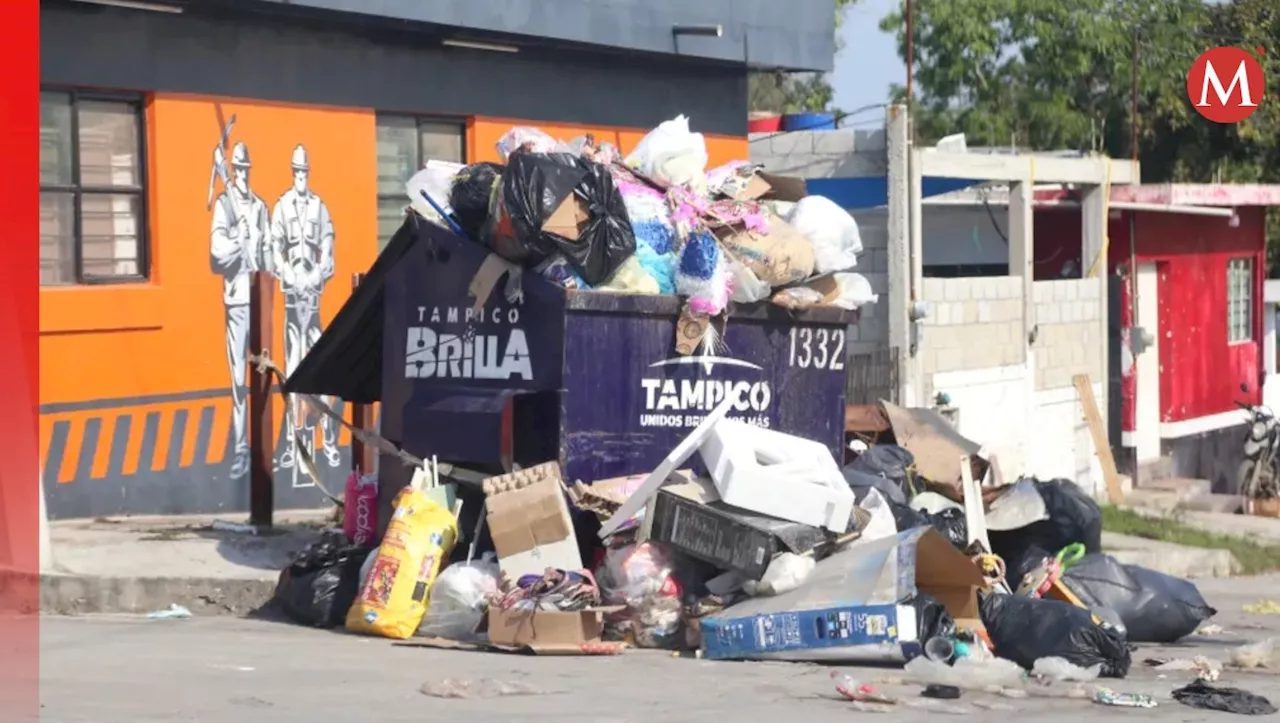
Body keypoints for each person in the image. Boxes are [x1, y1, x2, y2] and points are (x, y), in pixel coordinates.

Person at [270, 144, 338, 469]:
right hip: (291, 301)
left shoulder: (319, 207)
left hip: (313, 299)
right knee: (291, 372)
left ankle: (329, 438)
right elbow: (274, 249)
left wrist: (316, 273)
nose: (300, 177)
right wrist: (290, 274)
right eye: (296, 171)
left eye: (304, 171)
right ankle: (290, 444)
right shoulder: (282, 206)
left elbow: (328, 248)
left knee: (324, 370)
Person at [209, 141, 268, 480]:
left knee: (262, 373)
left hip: (262, 300)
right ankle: (241, 447)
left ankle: (263, 448)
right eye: (237, 168)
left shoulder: (259, 207)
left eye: (246, 168)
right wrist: (238, 242)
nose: (242, 174)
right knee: (237, 379)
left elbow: (270, 250)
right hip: (236, 299)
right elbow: (217, 252)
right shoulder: (224, 206)